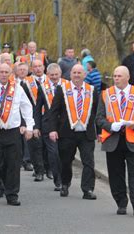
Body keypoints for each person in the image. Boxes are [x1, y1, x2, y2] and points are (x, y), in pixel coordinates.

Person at [96, 66, 134, 216]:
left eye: (119, 76)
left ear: (128, 77)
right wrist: (110, 125)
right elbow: (99, 118)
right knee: (115, 173)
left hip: (133, 138)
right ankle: (121, 202)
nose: (116, 78)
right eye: (114, 76)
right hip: (112, 139)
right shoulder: (105, 94)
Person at [0, 63, 34, 205]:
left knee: (13, 164)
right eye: (1, 72)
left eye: (6, 72)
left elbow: (27, 107)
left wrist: (29, 127)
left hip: (12, 132)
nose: (3, 74)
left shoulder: (17, 88)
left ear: (11, 73)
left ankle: (12, 194)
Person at [48, 64, 98, 200]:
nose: (77, 75)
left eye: (79, 73)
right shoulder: (62, 89)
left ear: (84, 75)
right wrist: (52, 129)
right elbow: (53, 112)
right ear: (70, 75)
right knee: (65, 161)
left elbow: (97, 113)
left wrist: (99, 131)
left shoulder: (91, 90)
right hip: (67, 133)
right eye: (74, 73)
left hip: (86, 133)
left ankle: (87, 189)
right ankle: (65, 183)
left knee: (88, 162)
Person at [34, 63, 67, 191]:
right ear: (48, 75)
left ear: (60, 74)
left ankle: (65, 178)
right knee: (53, 154)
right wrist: (36, 126)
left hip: (64, 125)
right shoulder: (43, 87)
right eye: (52, 75)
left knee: (63, 153)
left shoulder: (67, 85)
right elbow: (37, 109)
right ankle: (58, 179)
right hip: (48, 125)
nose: (54, 77)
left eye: (56, 75)